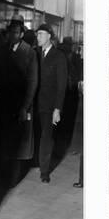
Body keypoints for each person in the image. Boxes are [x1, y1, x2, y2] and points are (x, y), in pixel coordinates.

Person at [0, 20, 38, 187]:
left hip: (20, 105)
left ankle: (13, 179)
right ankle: (4, 176)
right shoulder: (3, 50)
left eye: (16, 32)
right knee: (4, 141)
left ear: (21, 34)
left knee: (18, 144)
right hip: (4, 104)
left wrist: (25, 107)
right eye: (10, 32)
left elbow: (33, 82)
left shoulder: (29, 52)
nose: (12, 35)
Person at [35, 23, 68, 183]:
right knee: (36, 136)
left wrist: (57, 109)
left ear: (49, 36)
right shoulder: (35, 53)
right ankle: (37, 162)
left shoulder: (58, 56)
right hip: (35, 104)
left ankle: (44, 171)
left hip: (49, 105)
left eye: (41, 34)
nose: (38, 37)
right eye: (37, 34)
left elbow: (61, 86)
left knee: (46, 138)